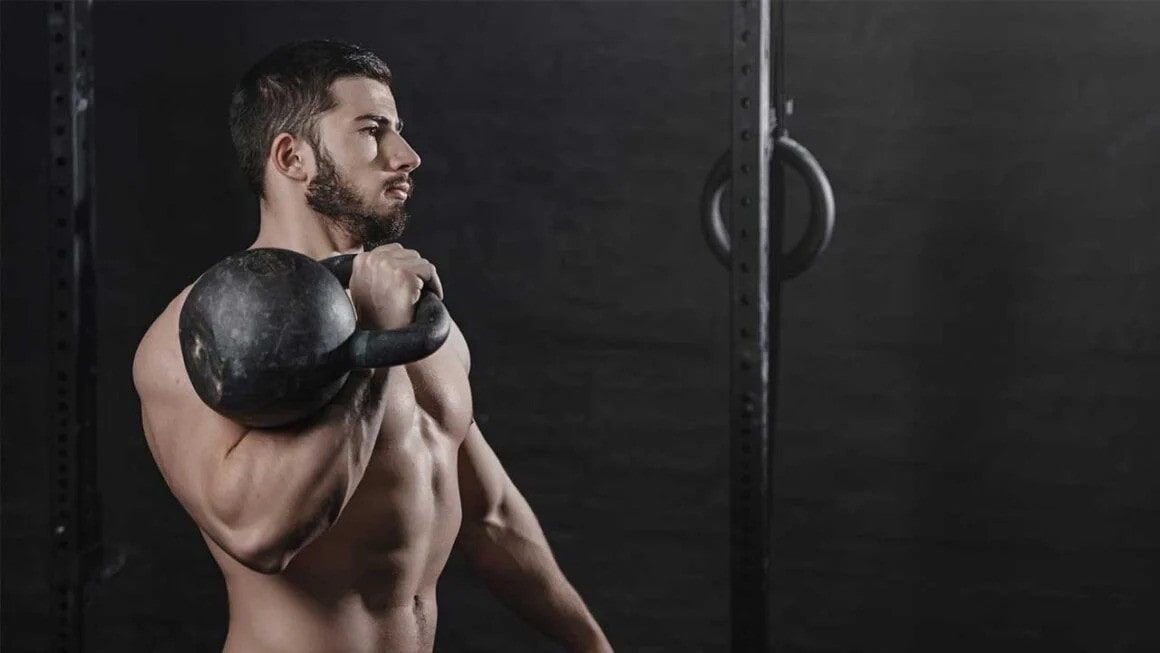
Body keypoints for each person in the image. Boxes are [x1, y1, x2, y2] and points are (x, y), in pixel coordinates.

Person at [132, 40, 612, 653]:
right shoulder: (201, 332)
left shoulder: (415, 313)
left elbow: (490, 517)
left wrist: (594, 646)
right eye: (371, 131)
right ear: (292, 157)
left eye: (399, 130)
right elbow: (258, 534)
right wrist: (374, 343)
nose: (407, 156)